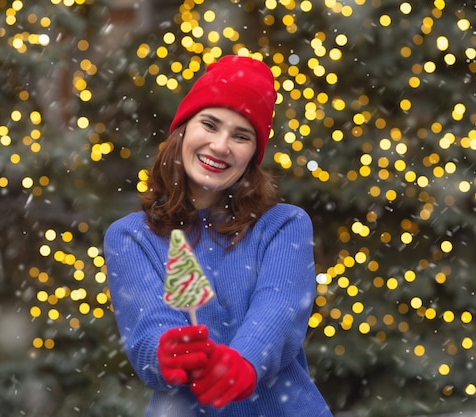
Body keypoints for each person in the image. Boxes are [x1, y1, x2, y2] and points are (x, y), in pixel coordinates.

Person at [104, 55, 332, 417]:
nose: (221, 145)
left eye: (240, 135)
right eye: (209, 125)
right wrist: (167, 351)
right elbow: (147, 330)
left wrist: (244, 362)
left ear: (252, 155)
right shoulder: (131, 237)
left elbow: (278, 311)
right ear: (182, 130)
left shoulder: (284, 225)